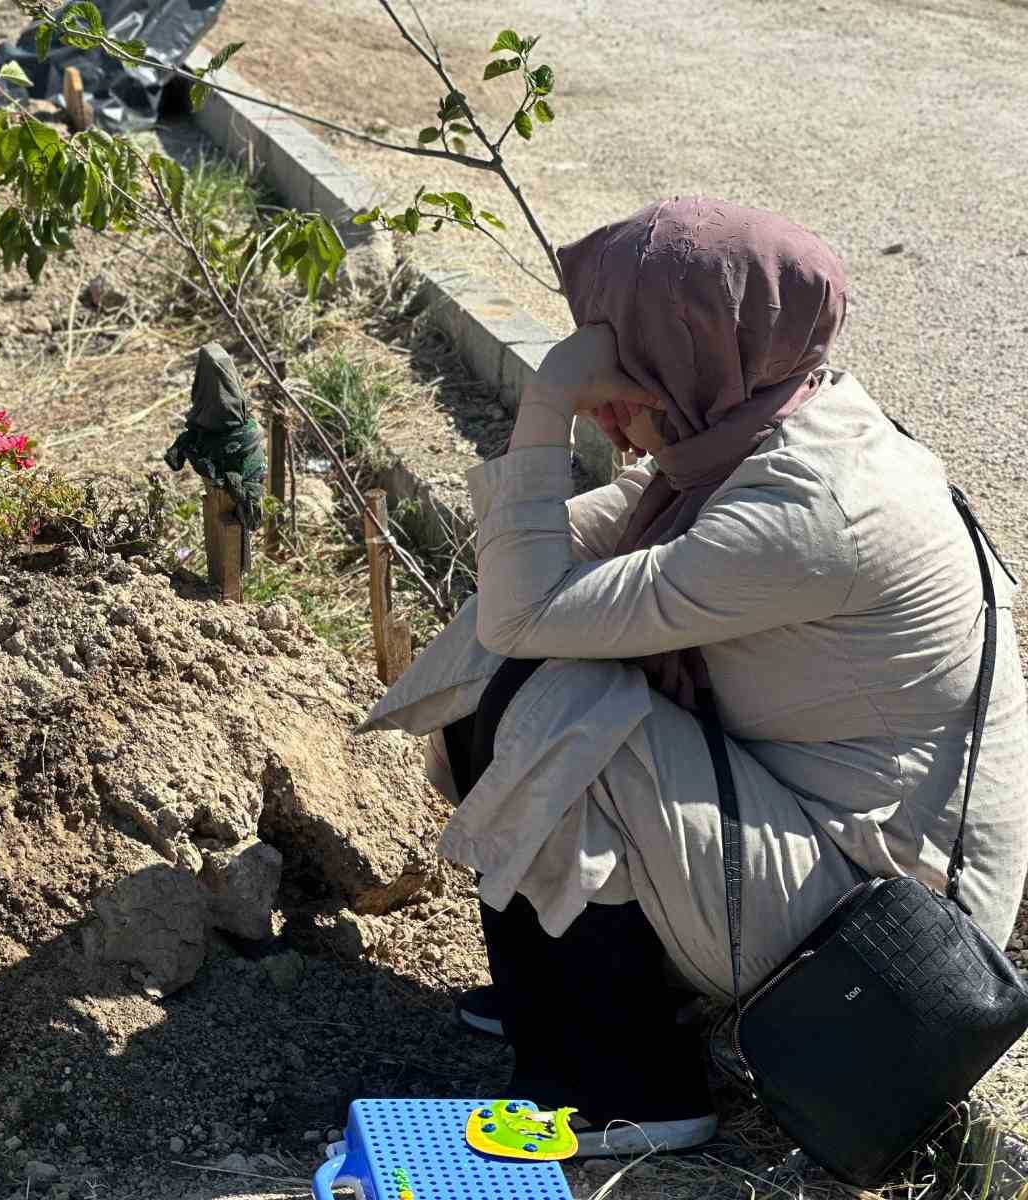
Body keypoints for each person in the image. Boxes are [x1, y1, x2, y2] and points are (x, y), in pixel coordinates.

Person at [359, 198, 1028, 1157]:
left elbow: (525, 610)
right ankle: (565, 994)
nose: (605, 396)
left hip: (884, 940)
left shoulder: (811, 509)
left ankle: (634, 1086)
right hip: (828, 839)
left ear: (705, 354)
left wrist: (546, 407)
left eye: (626, 361)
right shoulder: (756, 427)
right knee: (515, 663)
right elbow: (531, 578)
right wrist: (541, 525)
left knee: (554, 702)